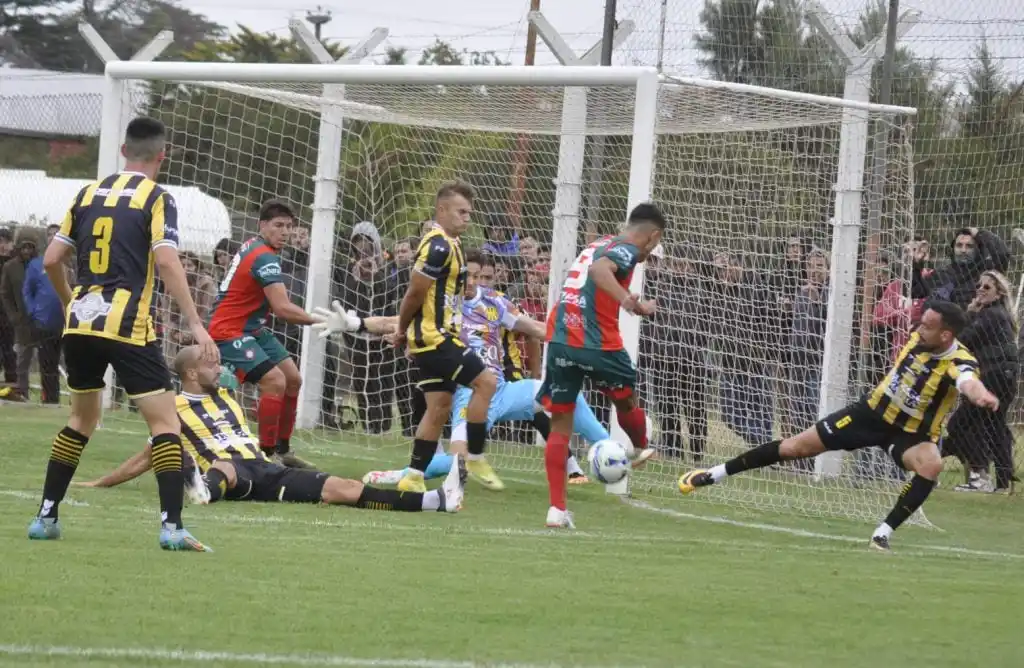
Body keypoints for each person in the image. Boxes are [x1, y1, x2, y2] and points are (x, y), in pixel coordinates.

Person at [25, 116, 222, 551]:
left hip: (81, 323)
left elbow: (53, 258)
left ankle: (45, 516)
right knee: (166, 423)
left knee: (81, 419)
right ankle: (172, 527)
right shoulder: (157, 197)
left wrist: (67, 300)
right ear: (161, 156)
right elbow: (167, 261)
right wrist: (193, 322)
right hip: (128, 325)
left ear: (123, 152)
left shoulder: (87, 193)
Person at [680, 301, 1000, 551]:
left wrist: (981, 394)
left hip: (911, 434)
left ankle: (882, 534)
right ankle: (714, 474)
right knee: (794, 447)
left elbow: (968, 381)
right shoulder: (920, 338)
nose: (918, 329)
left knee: (930, 465)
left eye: (927, 326)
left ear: (946, 335)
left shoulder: (959, 361)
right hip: (869, 414)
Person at [75, 345, 464, 514]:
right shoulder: (172, 408)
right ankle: (200, 488)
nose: (220, 368)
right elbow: (146, 458)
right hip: (230, 471)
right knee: (224, 467)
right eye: (212, 364)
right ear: (191, 373)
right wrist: (99, 483)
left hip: (264, 470)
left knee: (342, 489)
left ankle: (435, 502)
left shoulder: (227, 397)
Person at [362, 249, 614, 488]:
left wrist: (579, 338)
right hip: (470, 397)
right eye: (466, 275)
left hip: (503, 392)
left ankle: (610, 448)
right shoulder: (442, 306)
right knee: (458, 461)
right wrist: (355, 323)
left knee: (568, 394)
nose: (471, 281)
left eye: (476, 275)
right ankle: (404, 473)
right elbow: (389, 322)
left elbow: (535, 329)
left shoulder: (495, 302)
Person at [537, 203, 666, 528]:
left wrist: (633, 305)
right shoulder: (625, 248)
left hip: (562, 338)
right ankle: (640, 447)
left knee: (560, 426)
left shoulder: (598, 244)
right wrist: (626, 300)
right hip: (597, 344)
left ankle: (556, 510)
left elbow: (593, 282)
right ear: (653, 236)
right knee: (627, 399)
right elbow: (599, 273)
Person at [207, 200, 332, 469]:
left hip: (251, 328)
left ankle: (283, 450)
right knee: (275, 381)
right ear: (262, 226)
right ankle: (266, 455)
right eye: (278, 225)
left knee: (293, 379)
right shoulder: (263, 256)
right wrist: (324, 320)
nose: (285, 231)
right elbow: (283, 309)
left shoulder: (257, 247)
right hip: (229, 330)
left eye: (289, 226)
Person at [392, 182, 498, 493]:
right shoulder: (437, 245)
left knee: (438, 407)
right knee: (487, 382)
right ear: (442, 210)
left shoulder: (453, 245)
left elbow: (447, 293)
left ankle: (412, 477)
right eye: (461, 212)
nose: (467, 218)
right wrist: (402, 329)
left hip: (435, 337)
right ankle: (475, 455)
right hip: (435, 338)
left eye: (469, 213)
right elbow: (415, 292)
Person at [943, 271, 1019, 493]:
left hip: (995, 375)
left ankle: (979, 475)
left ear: (998, 294)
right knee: (994, 427)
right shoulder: (994, 314)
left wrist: (968, 313)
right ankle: (1003, 482)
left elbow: (963, 340)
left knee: (959, 424)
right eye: (979, 286)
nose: (980, 290)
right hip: (1004, 375)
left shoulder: (991, 315)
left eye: (987, 287)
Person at [21, 234, 65, 404]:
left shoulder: (71, 262)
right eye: (51, 235)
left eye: (57, 234)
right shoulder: (37, 264)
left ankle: (78, 402)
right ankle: (51, 401)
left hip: (70, 323)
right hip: (45, 323)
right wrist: (33, 312)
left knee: (75, 365)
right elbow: (27, 291)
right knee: (48, 364)